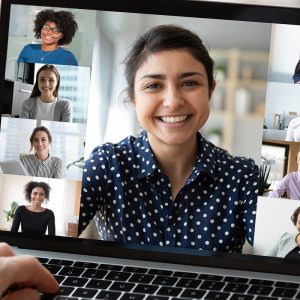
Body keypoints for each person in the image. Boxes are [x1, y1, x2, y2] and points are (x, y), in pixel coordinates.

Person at [78, 25, 259, 253]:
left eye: (189, 83)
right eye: (154, 85)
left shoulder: (242, 175)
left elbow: (283, 250)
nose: (173, 101)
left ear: (210, 91)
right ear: (133, 99)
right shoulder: (107, 163)